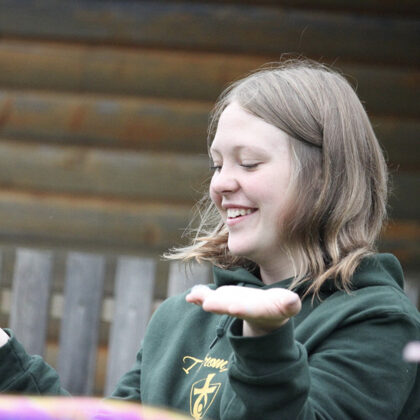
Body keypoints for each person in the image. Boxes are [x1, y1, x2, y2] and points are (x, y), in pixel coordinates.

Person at [0, 59, 419, 420]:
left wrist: (265, 339)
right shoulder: (181, 319)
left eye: (248, 163)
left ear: (325, 177)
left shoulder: (377, 323)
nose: (220, 184)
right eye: (217, 165)